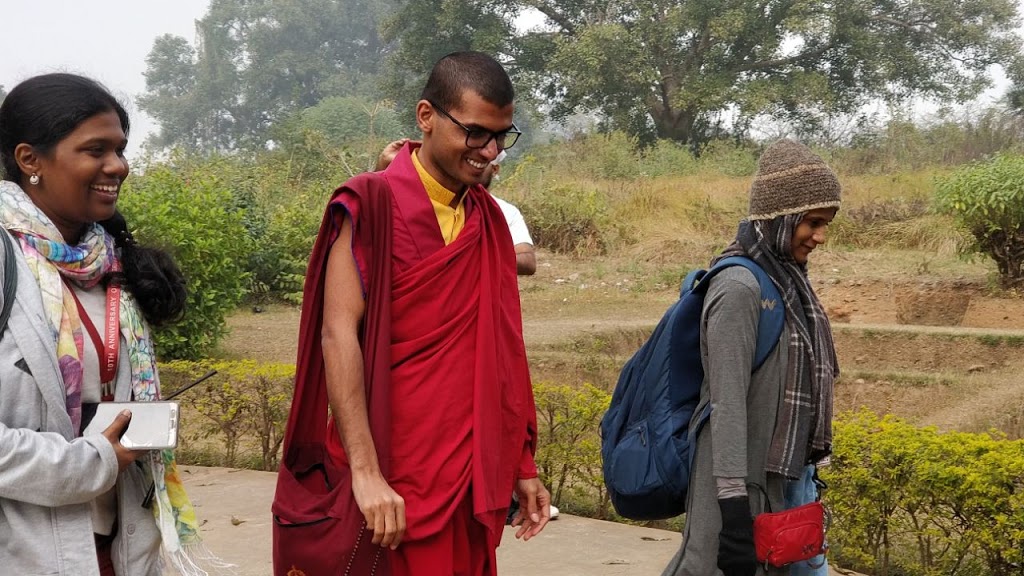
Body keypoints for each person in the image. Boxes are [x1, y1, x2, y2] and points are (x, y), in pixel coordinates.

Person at [290, 51, 550, 575]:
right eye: (475, 132)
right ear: (426, 115)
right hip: (392, 474)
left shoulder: (489, 222)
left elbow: (504, 348)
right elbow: (338, 336)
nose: (491, 151)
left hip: (469, 471)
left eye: (502, 136)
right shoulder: (368, 204)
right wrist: (365, 473)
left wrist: (522, 464)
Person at [0, 73, 219, 576]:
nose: (117, 166)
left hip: (121, 550)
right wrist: (89, 462)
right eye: (95, 150)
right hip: (26, 553)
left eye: (120, 149)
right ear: (30, 160)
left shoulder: (108, 263)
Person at [661, 139, 840, 576]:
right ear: (779, 218)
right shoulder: (740, 287)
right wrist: (733, 511)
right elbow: (726, 405)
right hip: (736, 488)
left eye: (826, 224)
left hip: (786, 480)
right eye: (811, 222)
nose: (819, 237)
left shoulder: (791, 283)